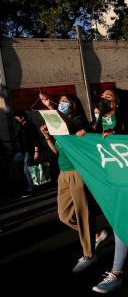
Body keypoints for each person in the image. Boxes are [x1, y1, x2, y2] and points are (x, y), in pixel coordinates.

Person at [39, 93, 108, 274]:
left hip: (77, 172)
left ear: (74, 105)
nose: (61, 104)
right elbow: (57, 150)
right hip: (63, 172)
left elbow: (72, 126)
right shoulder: (58, 124)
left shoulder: (76, 121)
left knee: (83, 213)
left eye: (65, 102)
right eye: (59, 101)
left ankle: (89, 254)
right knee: (64, 215)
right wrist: (47, 137)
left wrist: (50, 107)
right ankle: (95, 234)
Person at [84, 88, 128, 293]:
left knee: (120, 223)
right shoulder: (98, 122)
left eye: (108, 97)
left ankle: (116, 273)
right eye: (102, 96)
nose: (103, 99)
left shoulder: (127, 118)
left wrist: (119, 135)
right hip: (111, 178)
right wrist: (84, 135)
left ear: (117, 102)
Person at [13, 111, 41, 195]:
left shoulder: (29, 125)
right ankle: (28, 184)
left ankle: (31, 187)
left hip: (30, 150)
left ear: (22, 117)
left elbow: (35, 139)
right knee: (21, 165)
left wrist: (36, 151)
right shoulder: (23, 126)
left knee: (26, 169)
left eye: (17, 117)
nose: (16, 119)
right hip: (24, 151)